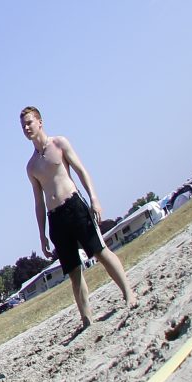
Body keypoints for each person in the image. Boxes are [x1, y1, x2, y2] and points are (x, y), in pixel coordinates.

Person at [21, 106, 137, 330]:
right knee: (73, 272)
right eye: (23, 125)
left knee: (101, 252)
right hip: (55, 218)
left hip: (74, 206)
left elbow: (82, 170)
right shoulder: (31, 166)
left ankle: (128, 293)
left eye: (29, 123)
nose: (26, 128)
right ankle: (86, 318)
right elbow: (39, 202)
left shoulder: (59, 143)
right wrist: (42, 234)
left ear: (40, 122)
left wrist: (94, 198)